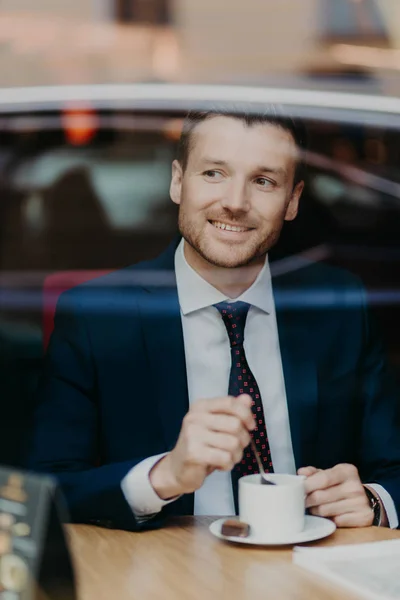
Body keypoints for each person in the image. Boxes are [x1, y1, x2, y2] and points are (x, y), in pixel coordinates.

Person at [27, 107, 400, 532]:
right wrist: (163, 477)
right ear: (176, 181)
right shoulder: (96, 316)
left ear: (292, 200)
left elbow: (394, 467)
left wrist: (373, 501)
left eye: (263, 181)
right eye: (214, 174)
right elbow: (46, 488)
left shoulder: (339, 305)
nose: (235, 203)